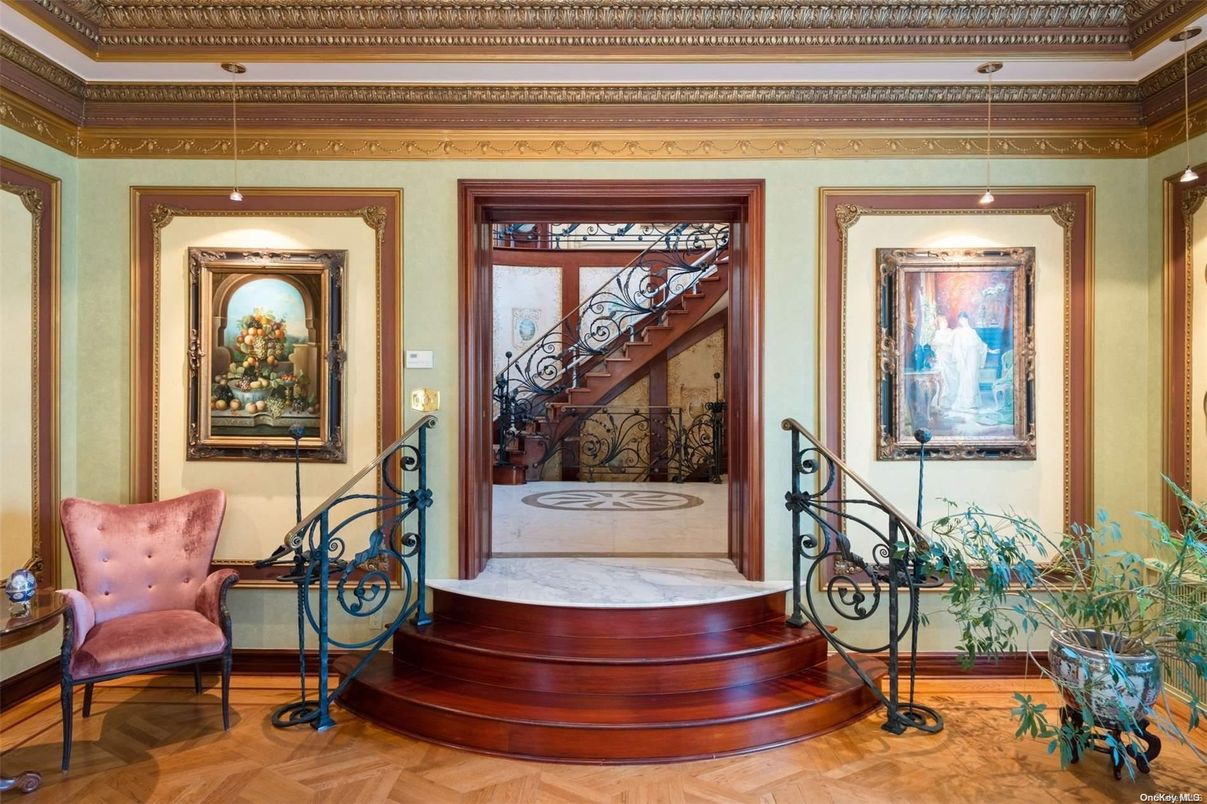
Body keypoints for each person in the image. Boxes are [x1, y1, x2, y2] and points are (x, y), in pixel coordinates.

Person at [947, 311, 989, 412]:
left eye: (964, 319)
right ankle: (966, 402)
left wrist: (989, 349)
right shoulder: (959, 332)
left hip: (973, 357)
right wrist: (961, 358)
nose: (963, 321)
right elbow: (957, 347)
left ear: (967, 319)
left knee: (973, 377)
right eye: (961, 319)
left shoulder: (973, 332)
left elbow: (981, 345)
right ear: (959, 321)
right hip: (965, 357)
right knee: (966, 378)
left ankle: (973, 402)